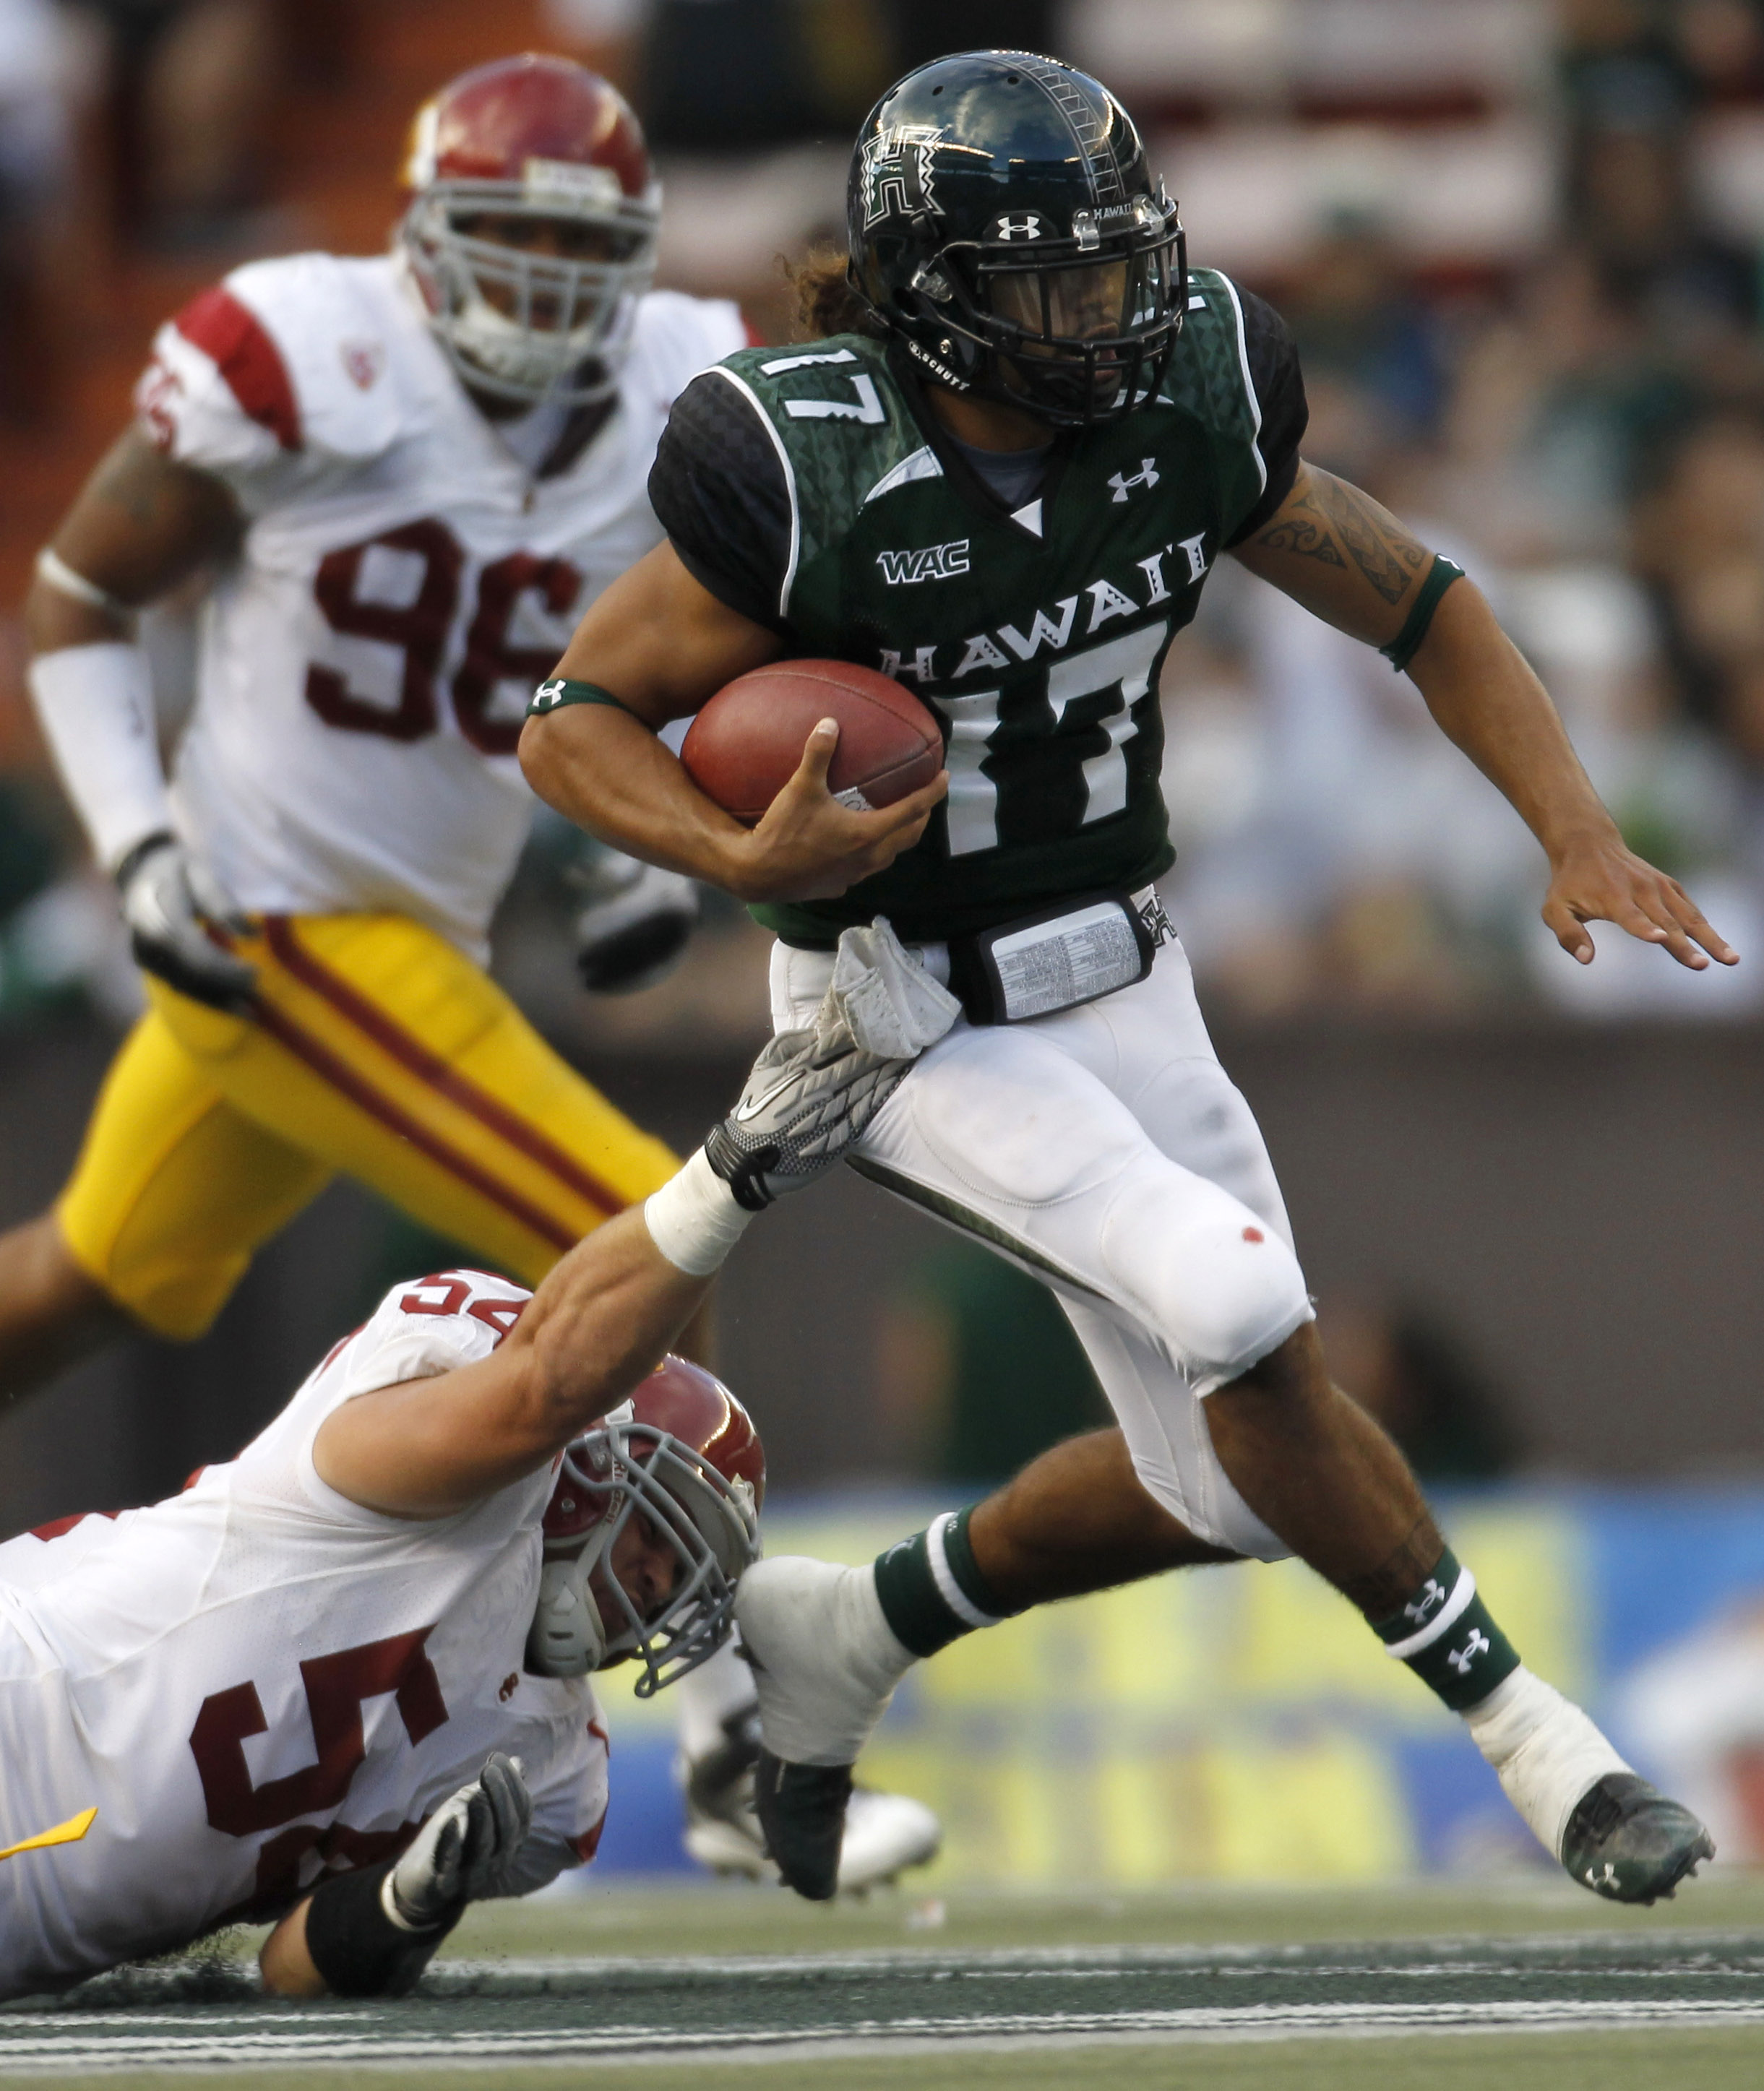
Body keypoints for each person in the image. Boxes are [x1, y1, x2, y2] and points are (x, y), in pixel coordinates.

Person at [519, 48, 1733, 1901]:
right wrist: (727, 854)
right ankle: (1546, 1750)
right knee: (1239, 1304)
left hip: (1123, 965)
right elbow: (574, 718)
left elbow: (1422, 599)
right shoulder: (807, 463)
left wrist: (1571, 825)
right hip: (896, 1007)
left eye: (1117, 265)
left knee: (1241, 1475)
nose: (1108, 314)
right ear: (937, 297)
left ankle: (847, 1633)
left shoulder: (1190, 394)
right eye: (1051, 284)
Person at [7, 48, 932, 1895]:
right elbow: (82, 601)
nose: (538, 288)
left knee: (89, 1280)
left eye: (572, 252)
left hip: (401, 935)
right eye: (501, 243)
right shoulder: (301, 349)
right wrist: (141, 844)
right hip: (273, 919)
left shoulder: (679, 383)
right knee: (644, 1235)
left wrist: (630, 848)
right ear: (423, 242)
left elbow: (599, 667)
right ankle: (747, 1747)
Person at [0, 994, 906, 1998]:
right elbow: (544, 1386)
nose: (658, 1580)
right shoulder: (457, 1470)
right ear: (591, 1469)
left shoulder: (554, 1771)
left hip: (34, 1932)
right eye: (661, 1528)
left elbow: (290, 1972)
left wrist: (405, 1905)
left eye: (686, 1574)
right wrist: (733, 1170)